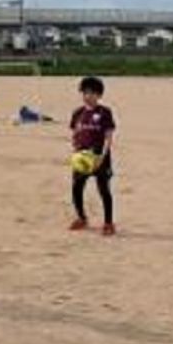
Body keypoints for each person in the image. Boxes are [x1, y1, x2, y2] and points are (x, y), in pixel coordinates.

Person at [68, 76, 117, 237]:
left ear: (99, 95)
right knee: (76, 188)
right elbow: (75, 133)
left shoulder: (104, 112)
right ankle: (82, 218)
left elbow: (109, 136)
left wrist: (102, 157)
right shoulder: (78, 113)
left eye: (92, 93)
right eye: (85, 93)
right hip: (82, 158)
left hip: (99, 158)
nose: (88, 96)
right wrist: (75, 152)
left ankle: (108, 223)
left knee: (104, 190)